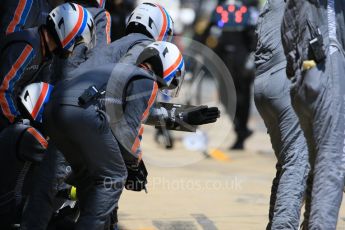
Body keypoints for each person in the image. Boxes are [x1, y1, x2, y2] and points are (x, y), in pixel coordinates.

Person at [42, 41, 185, 230]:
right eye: (170, 81)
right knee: (114, 177)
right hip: (82, 118)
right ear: (168, 66)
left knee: (79, 180)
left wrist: (185, 117)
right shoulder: (146, 81)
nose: (164, 88)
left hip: (53, 110)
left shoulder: (120, 70)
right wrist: (135, 164)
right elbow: (128, 131)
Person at [0, 3, 95, 228]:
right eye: (78, 40)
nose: (76, 47)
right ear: (68, 31)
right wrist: (18, 123)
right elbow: (4, 88)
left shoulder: (46, 53)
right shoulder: (28, 45)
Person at [282, 0, 345, 228]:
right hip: (327, 66)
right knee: (331, 166)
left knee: (318, 165)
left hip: (304, 72)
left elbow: (287, 33)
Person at [253, 0, 309, 229]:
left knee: (288, 163)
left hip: (264, 85)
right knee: (297, 163)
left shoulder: (272, 4)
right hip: (286, 80)